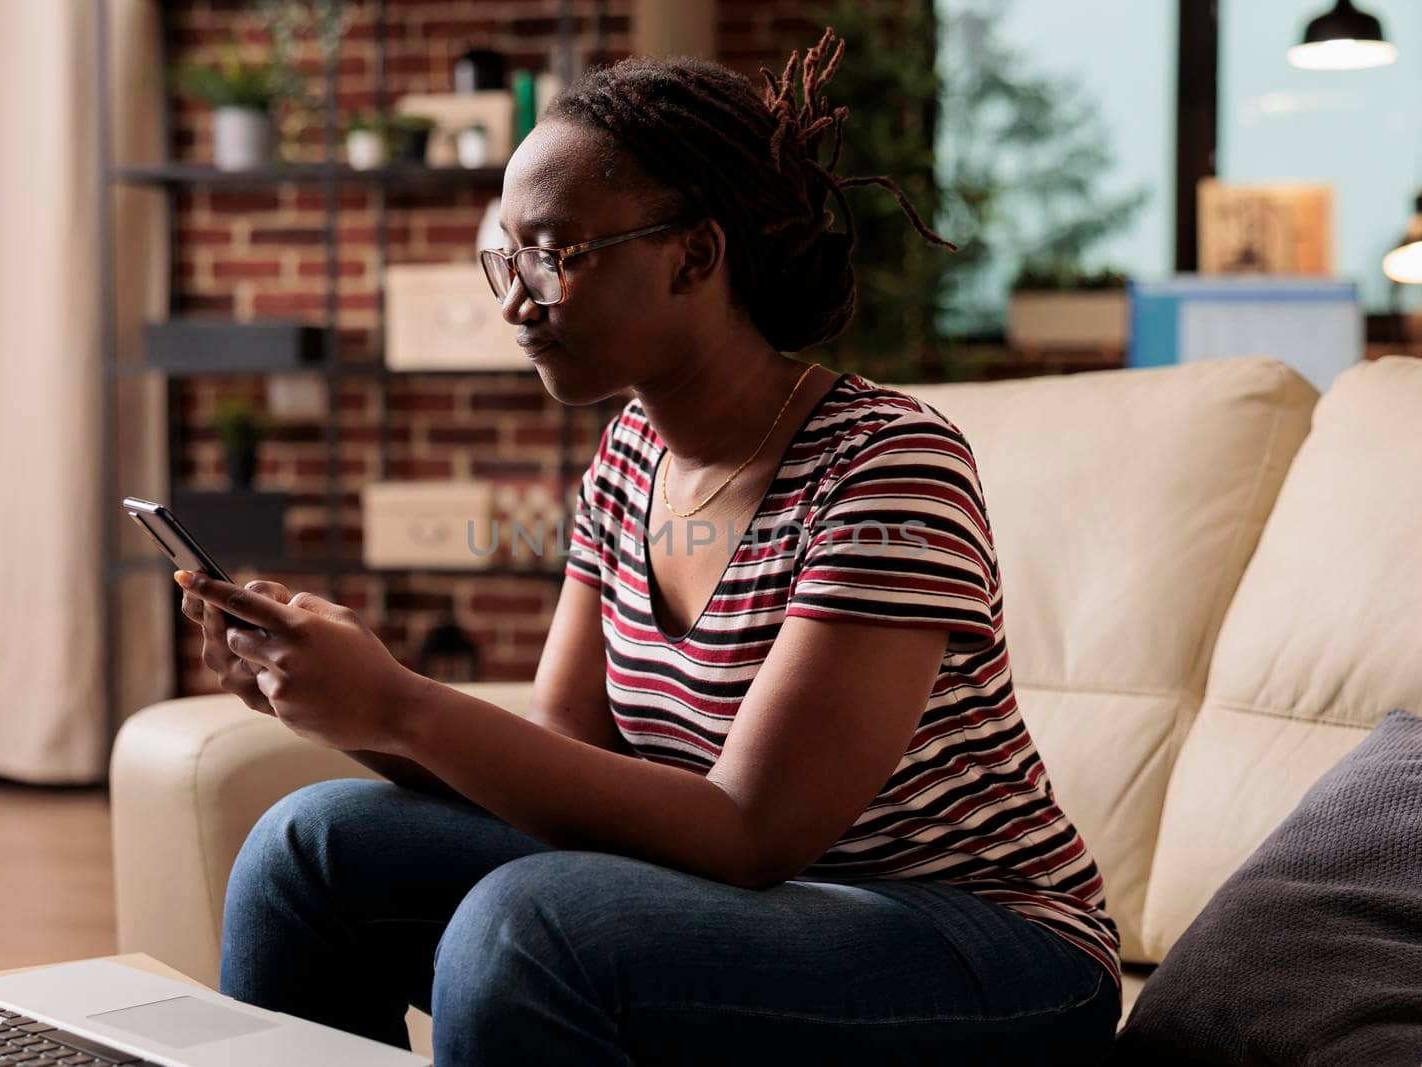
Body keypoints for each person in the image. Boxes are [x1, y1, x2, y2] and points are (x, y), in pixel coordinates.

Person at [178, 27, 1122, 1066]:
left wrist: (403, 701)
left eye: (552, 253)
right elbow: (562, 767)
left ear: (695, 255)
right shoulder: (629, 457)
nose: (513, 299)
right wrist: (336, 702)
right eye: (504, 253)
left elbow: (754, 829)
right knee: (308, 846)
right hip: (747, 912)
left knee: (531, 923)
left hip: (982, 946)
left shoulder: (889, 466)